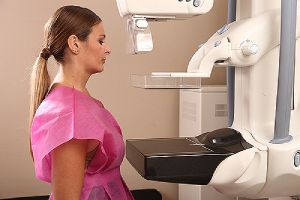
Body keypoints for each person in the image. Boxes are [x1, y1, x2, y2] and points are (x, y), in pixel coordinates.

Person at [29, 5, 134, 200]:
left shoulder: (79, 101)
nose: (108, 49)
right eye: (101, 41)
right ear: (75, 44)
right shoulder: (70, 115)